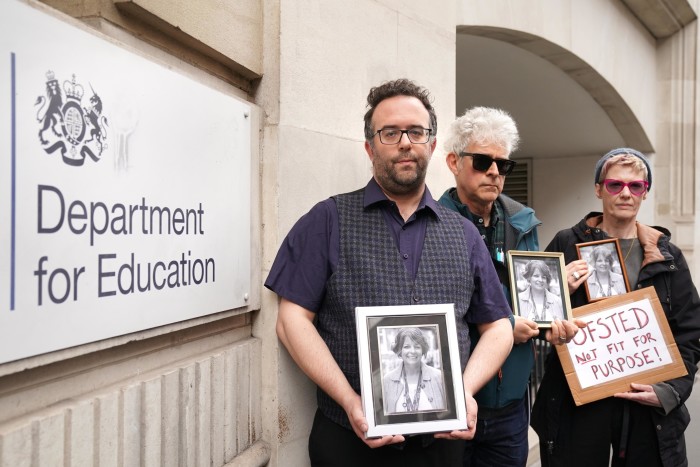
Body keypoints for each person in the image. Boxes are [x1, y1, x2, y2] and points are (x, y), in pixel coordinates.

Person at [266, 79, 515, 466]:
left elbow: (498, 326)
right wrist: (350, 402)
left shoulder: (464, 234)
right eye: (390, 132)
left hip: (440, 447)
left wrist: (462, 392)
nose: (405, 142)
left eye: (416, 132)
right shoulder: (327, 219)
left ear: (432, 145)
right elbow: (291, 320)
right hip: (348, 441)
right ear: (369, 147)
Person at [531, 148, 700, 467]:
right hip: (578, 406)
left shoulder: (668, 256)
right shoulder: (566, 243)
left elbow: (690, 334)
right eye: (615, 185)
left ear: (645, 192)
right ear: (598, 189)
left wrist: (670, 392)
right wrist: (560, 294)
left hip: (646, 410)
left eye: (636, 186)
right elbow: (533, 320)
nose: (626, 193)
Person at [439, 106, 581, 467]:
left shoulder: (523, 223)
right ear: (454, 162)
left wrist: (549, 322)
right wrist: (505, 326)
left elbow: (530, 297)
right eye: (482, 161)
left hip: (513, 401)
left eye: (503, 165)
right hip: (452, 397)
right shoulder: (432, 224)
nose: (493, 172)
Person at [383, 328, 446, 414]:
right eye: (406, 347)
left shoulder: (439, 377)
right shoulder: (387, 381)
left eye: (417, 347)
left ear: (423, 350)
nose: (412, 351)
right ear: (399, 350)